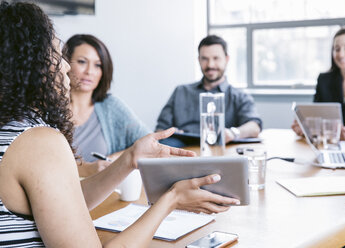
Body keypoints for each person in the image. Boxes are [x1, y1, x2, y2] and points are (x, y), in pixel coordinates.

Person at [0, 1, 240, 247]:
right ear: (28, 65)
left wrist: (128, 160)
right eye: (56, 55)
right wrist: (171, 200)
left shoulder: (12, 130)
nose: (67, 66)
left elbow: (61, 202)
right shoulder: (40, 142)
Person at [63, 34, 149, 177]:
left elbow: (148, 142)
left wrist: (113, 160)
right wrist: (87, 169)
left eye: (98, 65)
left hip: (106, 195)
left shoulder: (110, 107)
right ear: (65, 64)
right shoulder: (48, 108)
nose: (89, 71)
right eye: (82, 62)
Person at [156, 35, 262, 146]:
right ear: (199, 60)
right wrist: (172, 132)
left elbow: (254, 126)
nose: (210, 65)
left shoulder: (240, 97)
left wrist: (232, 133)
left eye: (216, 58)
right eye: (204, 59)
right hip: (181, 152)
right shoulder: (181, 92)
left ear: (226, 59)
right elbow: (160, 129)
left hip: (222, 152)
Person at [292, 27, 345, 140]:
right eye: (337, 49)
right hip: (330, 143)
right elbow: (317, 116)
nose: (341, 54)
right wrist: (306, 128)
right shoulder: (324, 80)